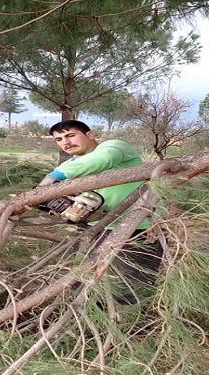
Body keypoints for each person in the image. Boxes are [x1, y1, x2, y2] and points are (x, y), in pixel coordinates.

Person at [35, 119, 163, 305]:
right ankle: (88, 320)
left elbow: (104, 159)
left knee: (130, 283)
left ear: (89, 135)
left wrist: (51, 179)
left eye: (71, 135)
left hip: (137, 228)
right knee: (85, 279)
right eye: (59, 139)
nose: (66, 142)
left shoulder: (114, 147)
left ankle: (131, 325)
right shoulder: (74, 165)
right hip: (93, 228)